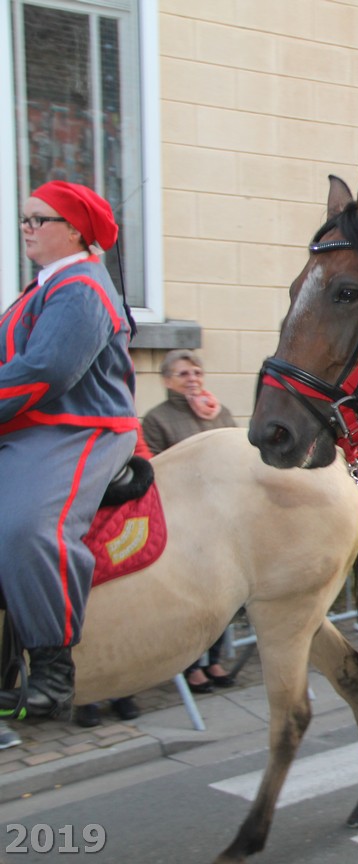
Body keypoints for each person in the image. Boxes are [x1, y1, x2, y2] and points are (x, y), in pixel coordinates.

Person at [0, 182, 138, 725]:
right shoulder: (41, 287)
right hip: (30, 423)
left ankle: (53, 673)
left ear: (76, 231)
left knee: (27, 527)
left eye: (39, 219)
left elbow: (46, 371)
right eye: (25, 218)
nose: (27, 228)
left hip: (78, 426)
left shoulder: (81, 287)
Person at [138, 349, 238, 702]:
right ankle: (191, 663)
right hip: (185, 519)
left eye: (196, 372)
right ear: (167, 381)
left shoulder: (219, 411)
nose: (192, 379)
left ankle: (214, 659)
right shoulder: (157, 419)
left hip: (223, 516)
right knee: (194, 596)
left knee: (224, 590)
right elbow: (156, 468)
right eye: (183, 374)